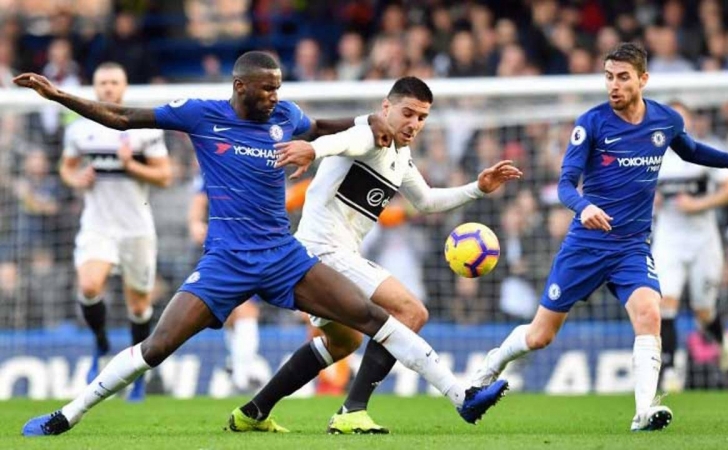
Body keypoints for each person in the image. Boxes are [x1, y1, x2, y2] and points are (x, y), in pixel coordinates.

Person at [15, 51, 509, 437]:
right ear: (240, 86)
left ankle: (461, 396)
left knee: (372, 319)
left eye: (279, 88)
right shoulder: (201, 114)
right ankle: (69, 414)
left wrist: (368, 123)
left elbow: (322, 128)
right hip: (226, 260)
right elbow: (123, 117)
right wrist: (59, 96)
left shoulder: (287, 115)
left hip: (284, 257)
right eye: (268, 88)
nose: (275, 96)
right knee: (157, 346)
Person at [469, 42, 728, 432]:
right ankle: (489, 367)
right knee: (540, 336)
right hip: (586, 245)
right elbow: (566, 183)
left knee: (650, 312)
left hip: (631, 247)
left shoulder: (665, 120)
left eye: (622, 77)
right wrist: (584, 207)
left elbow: (694, 152)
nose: (614, 85)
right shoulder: (591, 123)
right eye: (608, 77)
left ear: (643, 79)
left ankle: (644, 410)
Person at [226, 76, 522, 434]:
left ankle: (253, 411)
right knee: (411, 311)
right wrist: (313, 150)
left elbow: (426, 201)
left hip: (320, 255)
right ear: (386, 107)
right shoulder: (370, 135)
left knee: (343, 342)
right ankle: (380, 407)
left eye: (422, 117)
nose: (414, 124)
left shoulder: (399, 155)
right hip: (324, 251)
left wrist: (478, 188)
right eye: (407, 113)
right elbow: (345, 140)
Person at [60, 62, 172, 402]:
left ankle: (137, 373)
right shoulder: (79, 130)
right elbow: (66, 167)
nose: (108, 88)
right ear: (95, 87)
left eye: (114, 82)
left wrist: (130, 165)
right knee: (89, 286)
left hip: (136, 229)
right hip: (98, 225)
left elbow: (165, 176)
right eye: (103, 82)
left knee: (138, 307)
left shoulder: (142, 128)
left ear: (124, 87)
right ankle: (101, 342)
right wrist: (76, 179)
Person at [653, 101, 728, 392]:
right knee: (665, 302)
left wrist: (698, 204)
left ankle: (724, 343)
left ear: (688, 122)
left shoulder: (704, 152)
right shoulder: (652, 157)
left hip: (704, 241)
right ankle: (669, 371)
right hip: (669, 239)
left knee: (703, 312)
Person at [187, 174, 263, 394]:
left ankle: (241, 377)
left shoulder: (253, 164)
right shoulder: (213, 168)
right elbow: (199, 199)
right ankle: (240, 370)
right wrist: (195, 223)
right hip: (220, 245)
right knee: (230, 315)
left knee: (247, 309)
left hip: (250, 244)